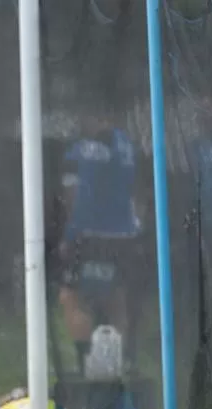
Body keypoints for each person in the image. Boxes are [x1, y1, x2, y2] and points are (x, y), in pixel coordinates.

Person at [55, 114, 140, 375]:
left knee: (72, 297)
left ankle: (85, 365)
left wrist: (68, 238)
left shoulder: (79, 151)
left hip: (88, 235)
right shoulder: (127, 145)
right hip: (125, 235)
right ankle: (119, 363)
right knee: (117, 297)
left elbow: (72, 199)